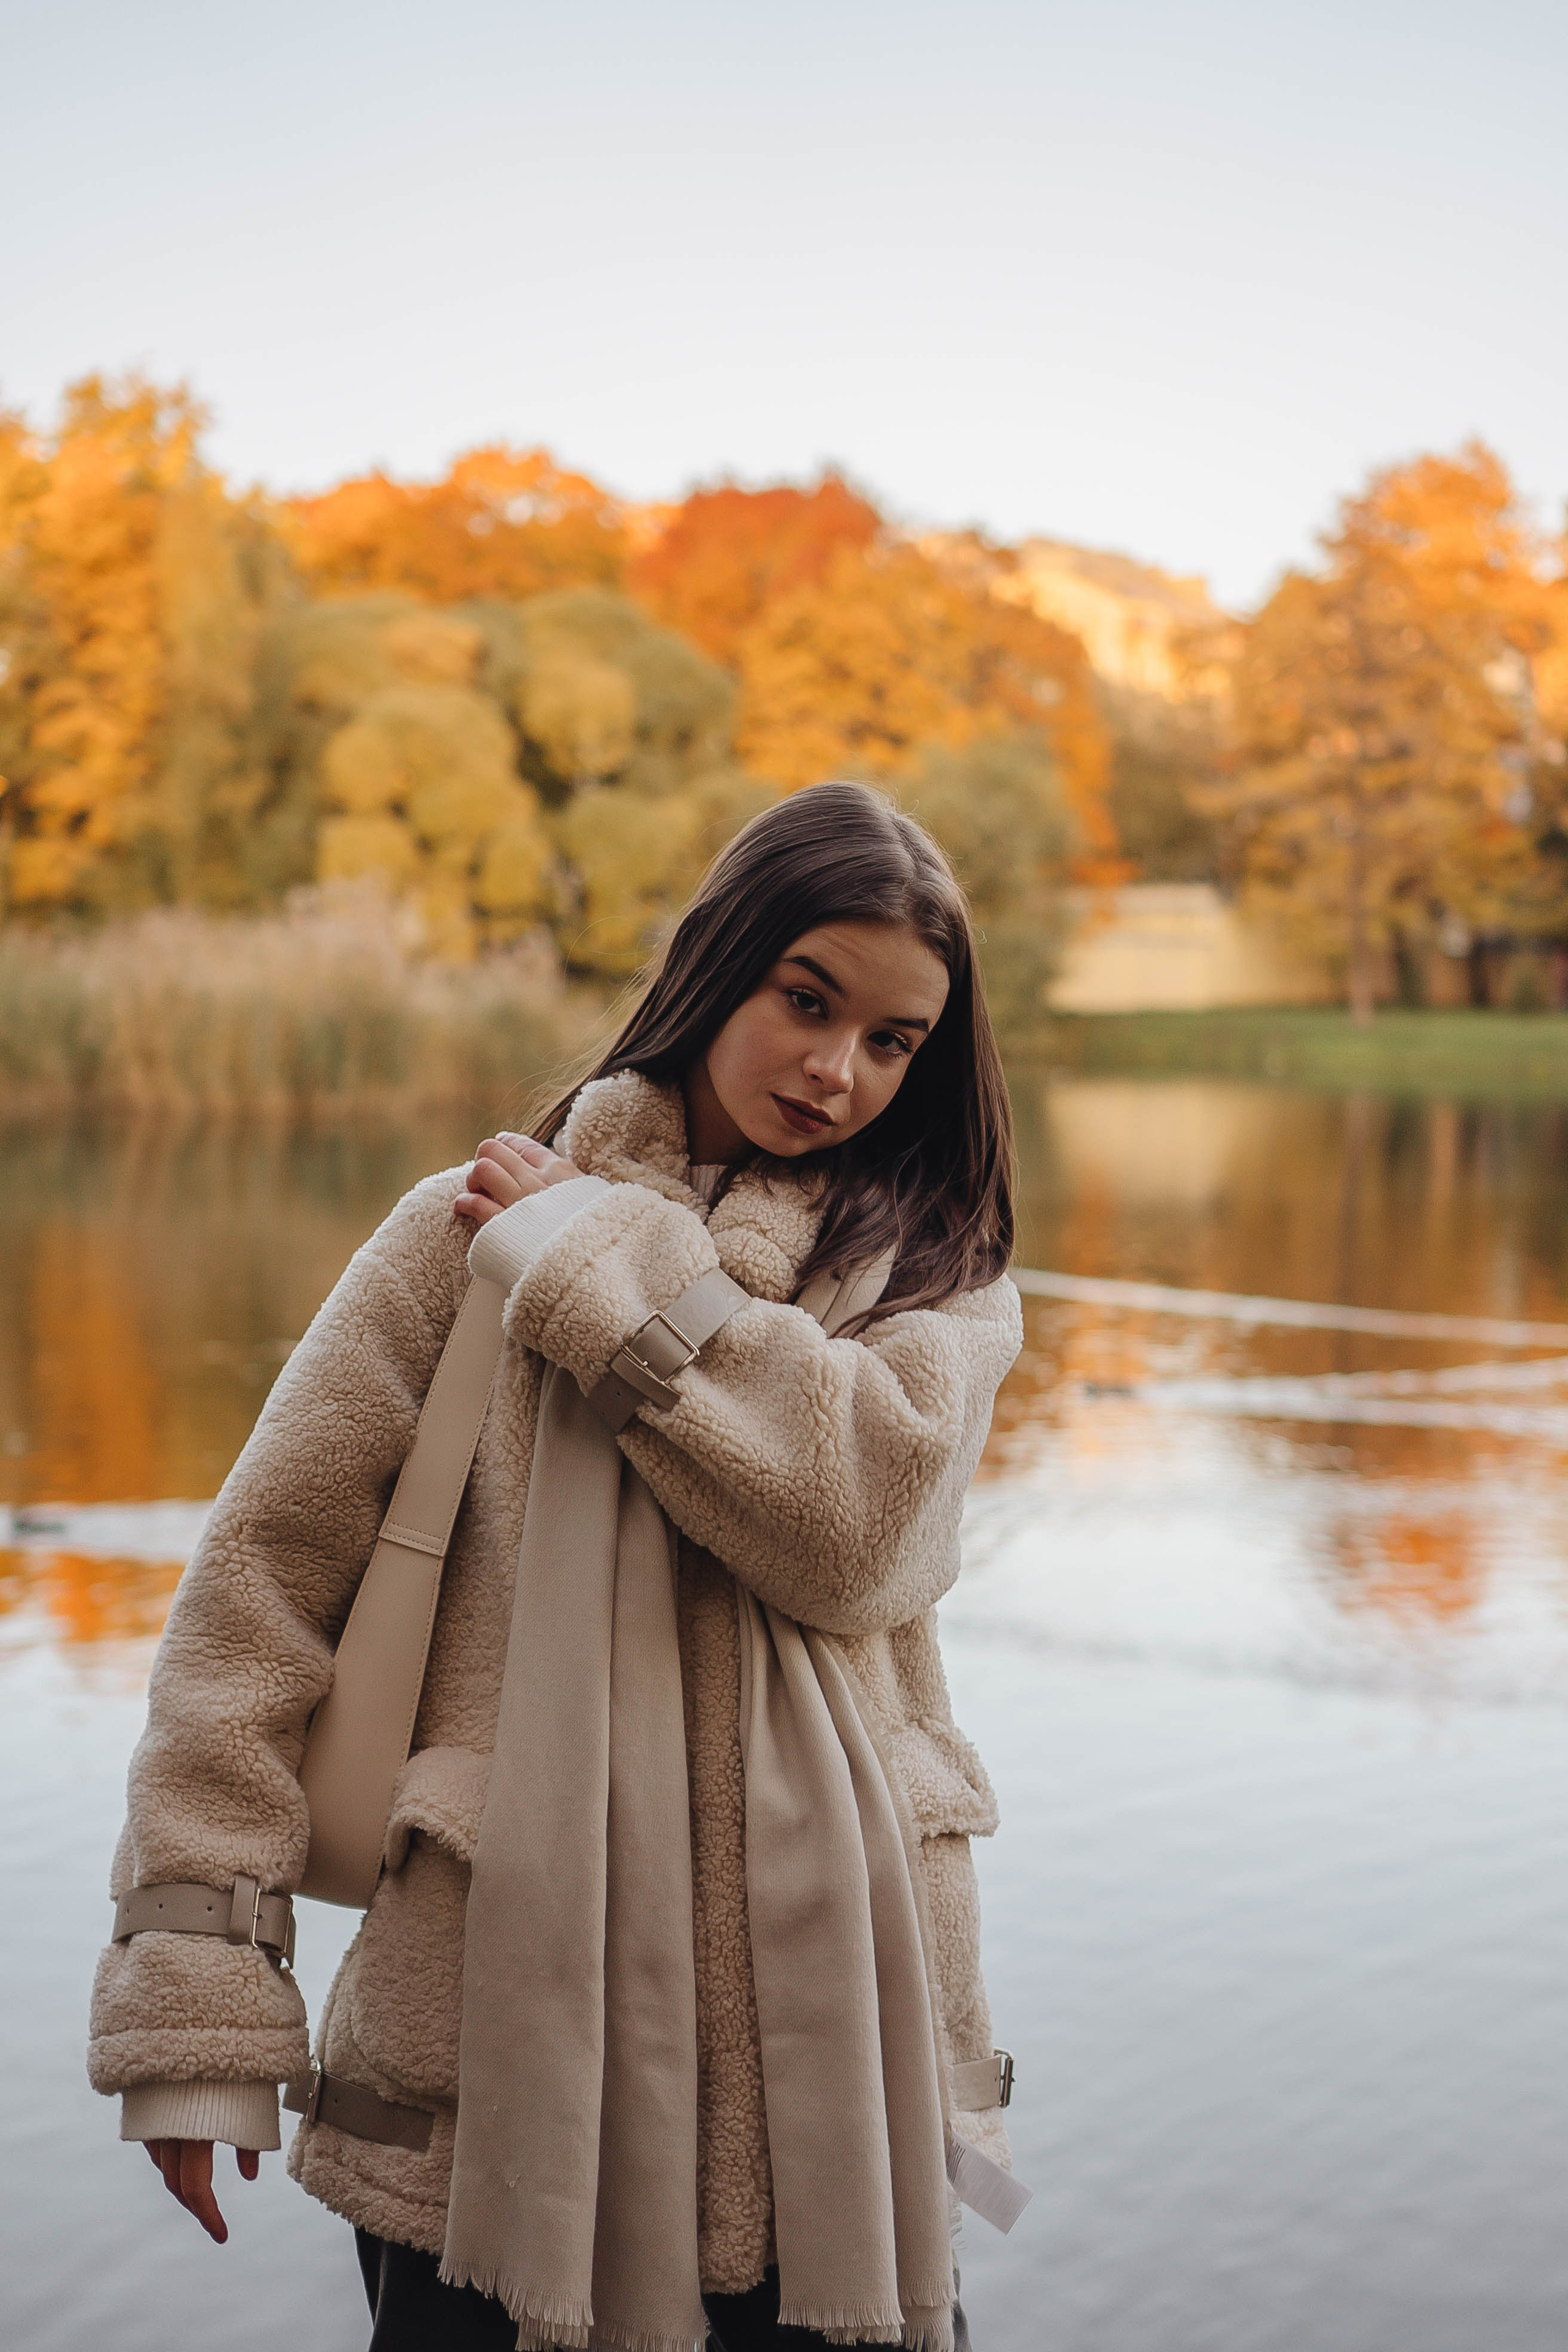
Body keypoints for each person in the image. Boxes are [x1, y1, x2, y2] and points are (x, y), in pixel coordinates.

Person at [89, 780, 1024, 2351]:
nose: (835, 1070)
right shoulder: (455, 1240)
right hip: (493, 2059)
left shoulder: (928, 1282)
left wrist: (595, 1263)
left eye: (890, 1040)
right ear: (717, 961)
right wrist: (200, 2005)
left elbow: (860, 1539)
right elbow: (256, 1602)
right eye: (808, 1001)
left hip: (835, 2086)